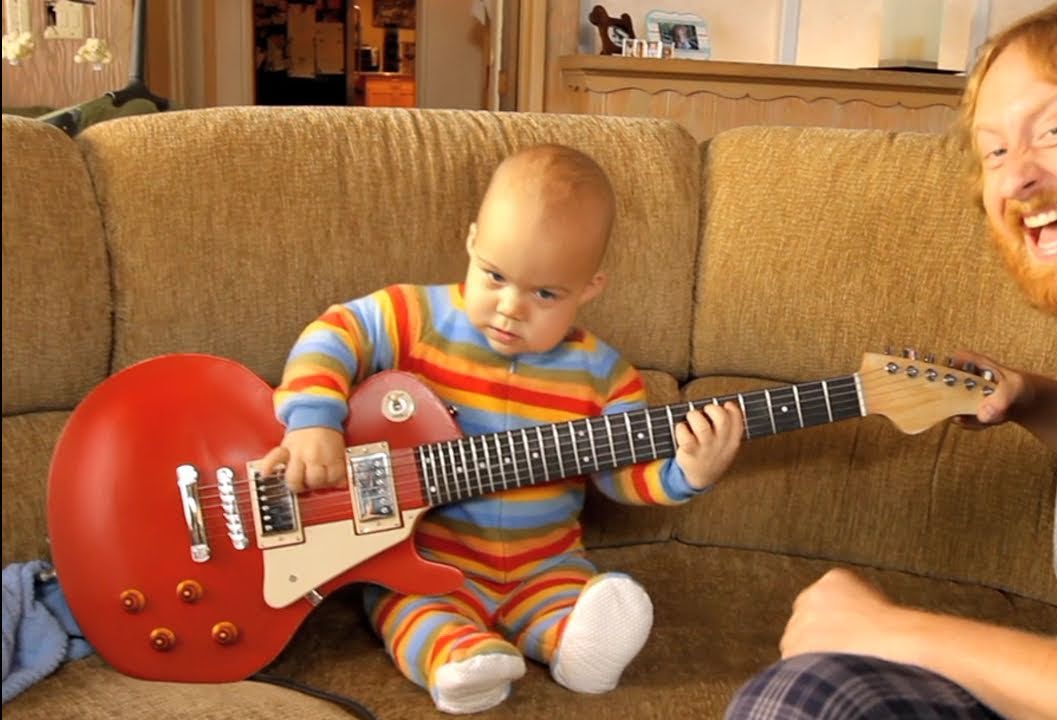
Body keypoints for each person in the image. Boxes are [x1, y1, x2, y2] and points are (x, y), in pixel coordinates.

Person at [725, 2, 1057, 718]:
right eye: (994, 152)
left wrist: (894, 632)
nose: (1017, 178)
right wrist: (1036, 401)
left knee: (807, 697)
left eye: (1054, 130)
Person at [260, 144, 744, 714]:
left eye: (545, 293)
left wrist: (687, 472)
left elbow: (622, 475)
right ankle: (461, 660)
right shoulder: (416, 317)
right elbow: (334, 332)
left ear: (589, 287)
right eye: (494, 276)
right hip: (428, 558)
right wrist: (314, 420)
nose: (510, 307)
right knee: (412, 609)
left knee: (577, 601)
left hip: (547, 564)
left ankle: (576, 646)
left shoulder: (605, 376)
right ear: (471, 242)